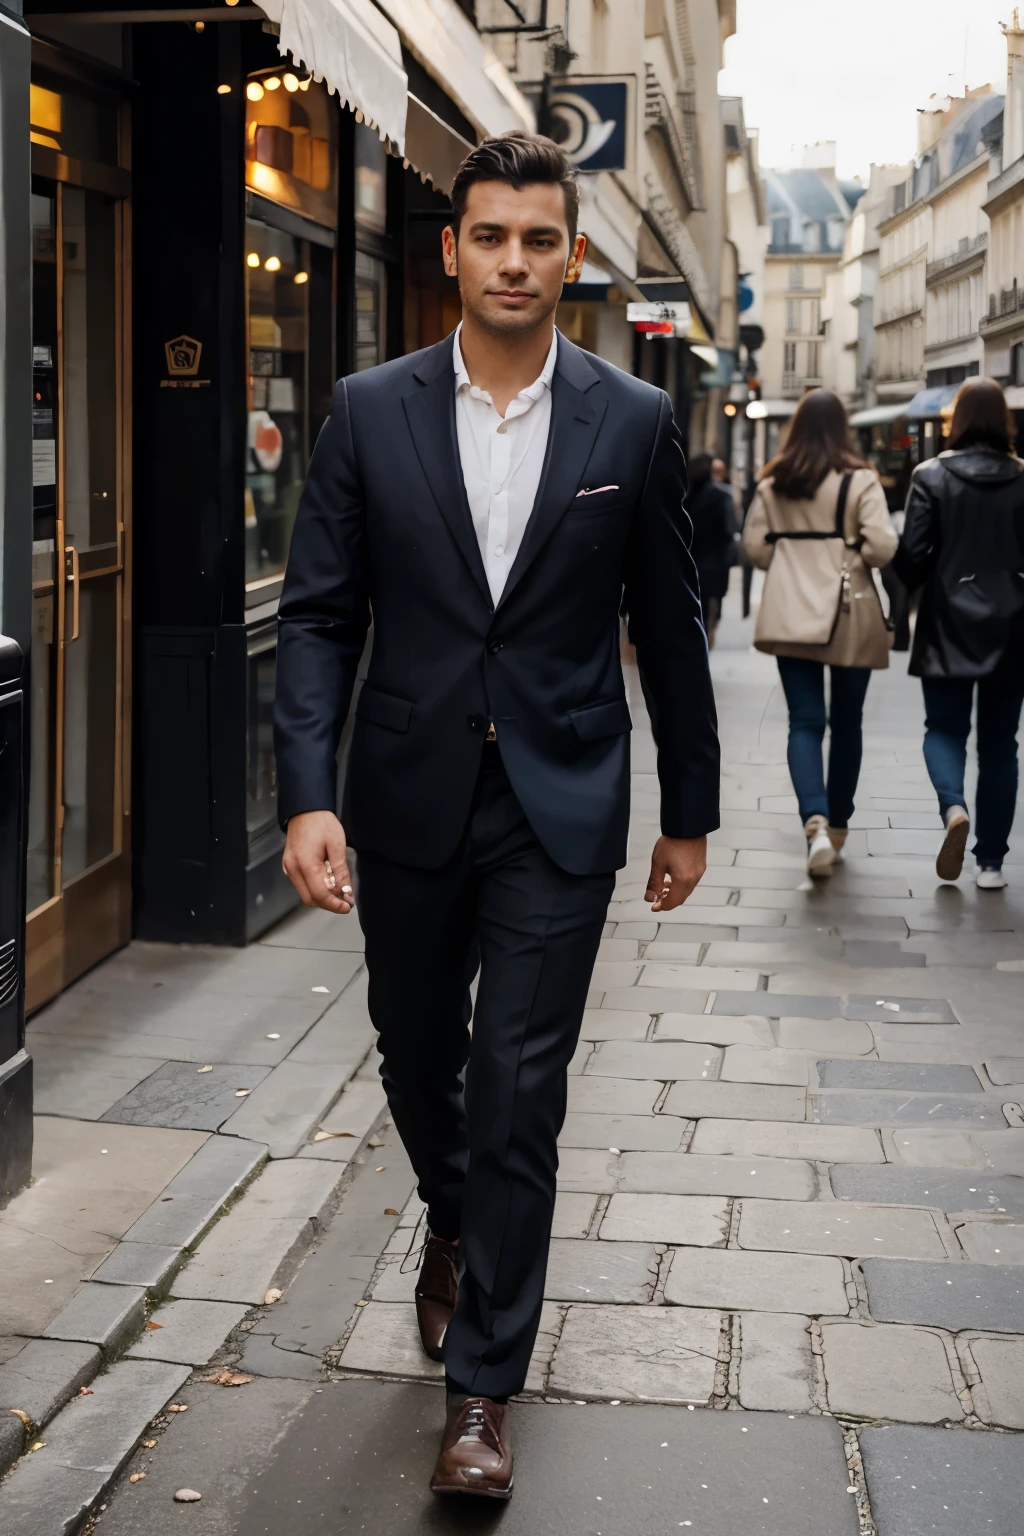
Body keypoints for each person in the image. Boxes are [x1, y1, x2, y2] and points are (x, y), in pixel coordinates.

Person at [273, 131, 720, 1501]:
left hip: (561, 804)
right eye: (490, 237)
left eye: (539, 239)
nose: (514, 260)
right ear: (453, 248)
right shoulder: (369, 408)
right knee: (417, 1056)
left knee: (522, 1088)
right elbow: (317, 615)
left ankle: (482, 1393)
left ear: (570, 257)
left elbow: (672, 623)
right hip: (405, 797)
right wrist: (307, 798)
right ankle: (454, 1221)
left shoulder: (629, 424)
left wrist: (688, 813)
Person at [743, 389, 897, 878]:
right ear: (843, 428)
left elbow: (755, 548)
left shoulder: (774, 481)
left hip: (791, 611)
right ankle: (839, 827)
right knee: (846, 722)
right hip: (849, 611)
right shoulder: (861, 480)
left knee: (804, 722)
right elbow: (881, 549)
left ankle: (813, 820)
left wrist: (793, 558)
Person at [893, 378, 1024, 889]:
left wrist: (915, 590)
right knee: (1001, 746)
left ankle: (953, 808)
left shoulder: (931, 476)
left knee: (944, 730)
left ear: (957, 419)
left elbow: (911, 556)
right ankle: (990, 862)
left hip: (947, 622)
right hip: (1013, 627)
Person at [687, 451, 738, 647]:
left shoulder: (685, 499)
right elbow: (729, 529)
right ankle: (706, 638)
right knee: (711, 604)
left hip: (691, 560)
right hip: (715, 561)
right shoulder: (721, 497)